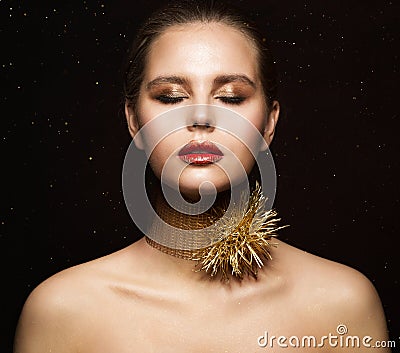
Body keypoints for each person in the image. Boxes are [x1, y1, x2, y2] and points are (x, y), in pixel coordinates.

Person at [14, 1, 390, 352]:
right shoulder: (62, 311)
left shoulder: (343, 304)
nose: (202, 118)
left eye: (230, 97)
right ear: (134, 122)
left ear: (269, 123)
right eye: (171, 96)